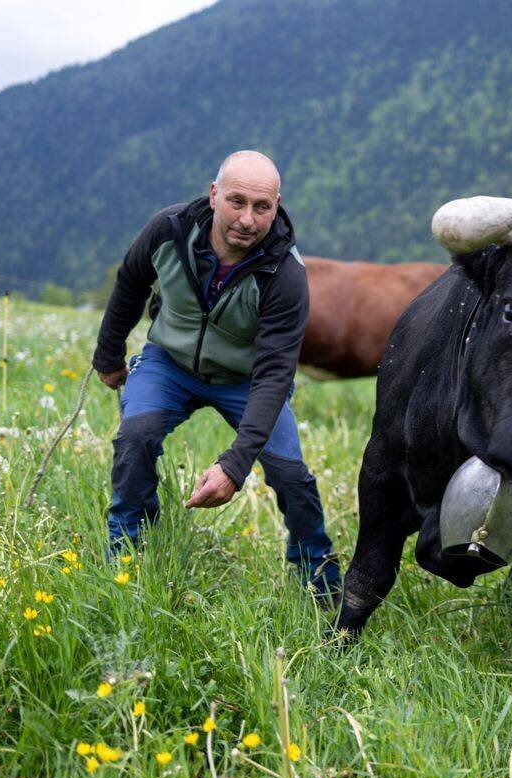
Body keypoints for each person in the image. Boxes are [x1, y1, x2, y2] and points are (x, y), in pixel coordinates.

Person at [92, 150, 340, 602]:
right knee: (136, 438)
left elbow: (274, 375)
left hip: (247, 380)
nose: (247, 219)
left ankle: (321, 587)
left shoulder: (285, 274)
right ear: (213, 195)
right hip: (170, 363)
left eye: (262, 207)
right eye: (237, 202)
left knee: (291, 476)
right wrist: (108, 356)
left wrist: (234, 464)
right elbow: (130, 281)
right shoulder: (168, 230)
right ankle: (126, 557)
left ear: (277, 205)